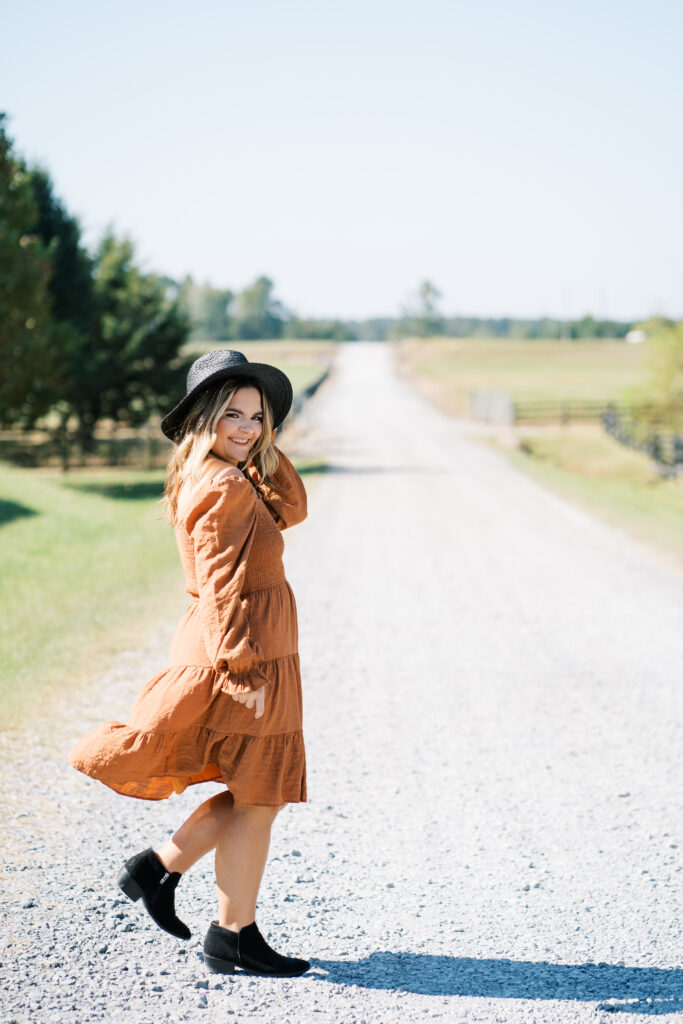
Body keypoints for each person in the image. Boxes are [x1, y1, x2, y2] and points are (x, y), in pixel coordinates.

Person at [68, 349, 310, 978]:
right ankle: (224, 926)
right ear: (203, 415)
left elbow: (294, 509)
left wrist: (261, 446)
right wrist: (245, 669)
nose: (246, 427)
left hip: (247, 646)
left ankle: (168, 878)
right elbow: (221, 583)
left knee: (256, 791)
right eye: (231, 413)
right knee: (259, 793)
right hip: (239, 651)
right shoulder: (224, 484)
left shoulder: (229, 473)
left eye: (258, 416)